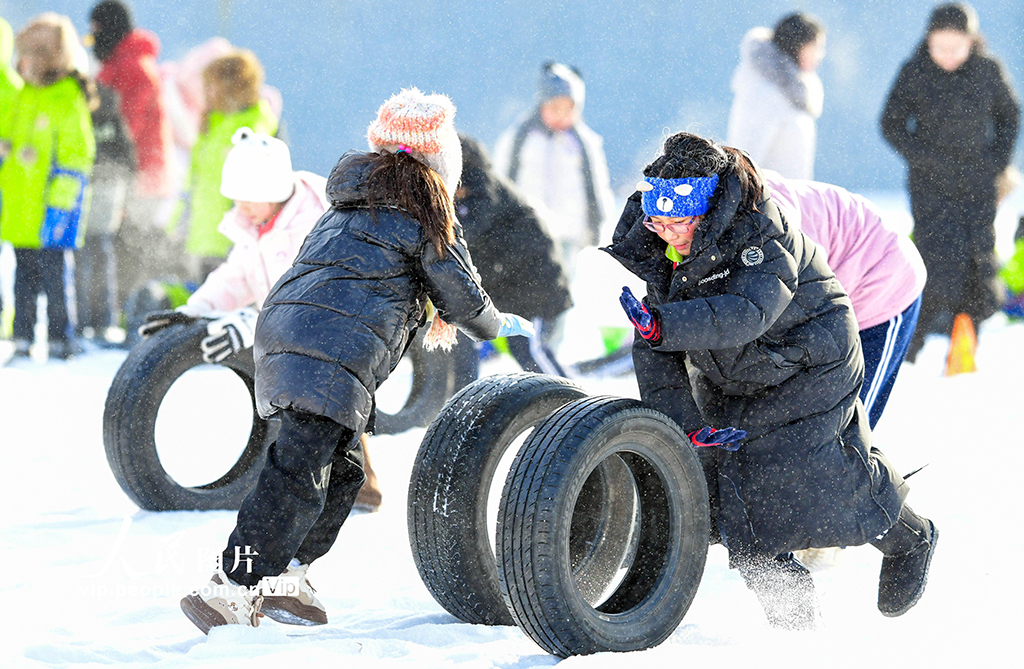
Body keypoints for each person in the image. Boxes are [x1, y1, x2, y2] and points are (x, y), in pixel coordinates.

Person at [179, 88, 533, 633]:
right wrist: (493, 322)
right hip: (329, 355)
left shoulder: (344, 206)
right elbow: (459, 294)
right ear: (439, 168)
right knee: (295, 477)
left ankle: (289, 578)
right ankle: (230, 585)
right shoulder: (425, 219)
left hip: (287, 341)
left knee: (343, 474)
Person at [603, 132, 937, 629]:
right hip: (741, 369)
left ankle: (909, 536)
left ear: (708, 209)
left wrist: (668, 325)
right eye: (658, 221)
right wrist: (687, 423)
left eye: (678, 222)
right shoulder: (668, 246)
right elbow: (659, 352)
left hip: (811, 356)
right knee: (725, 481)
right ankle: (789, 610)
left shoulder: (766, 232)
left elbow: (749, 311)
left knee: (817, 470)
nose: (666, 233)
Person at [139, 127, 383, 511]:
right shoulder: (260, 223)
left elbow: (301, 301)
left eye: (247, 197)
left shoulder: (314, 225)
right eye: (236, 197)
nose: (240, 206)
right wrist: (194, 310)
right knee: (307, 408)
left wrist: (248, 326)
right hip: (301, 332)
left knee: (330, 403)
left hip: (340, 324)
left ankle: (358, 488)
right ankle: (324, 488)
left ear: (271, 189)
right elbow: (237, 277)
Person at [880, 2, 1020, 362]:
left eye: (956, 48)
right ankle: (909, 349)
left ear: (972, 42)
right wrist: (922, 158)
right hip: (931, 185)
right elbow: (891, 123)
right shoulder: (914, 71)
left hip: (978, 181)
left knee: (978, 261)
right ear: (928, 41)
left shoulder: (988, 70)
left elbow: (1010, 115)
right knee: (935, 261)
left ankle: (964, 346)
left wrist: (997, 161)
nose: (948, 55)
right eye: (940, 47)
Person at [762, 170, 926, 429]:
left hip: (884, 279)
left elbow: (809, 309)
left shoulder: (777, 228)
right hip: (839, 274)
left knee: (848, 425)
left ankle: (855, 464)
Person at [0, 13, 96, 362]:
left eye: (29, 55)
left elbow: (76, 156)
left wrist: (61, 202)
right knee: (22, 279)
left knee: (55, 278)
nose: (20, 63)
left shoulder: (67, 98)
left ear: (50, 57)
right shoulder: (26, 93)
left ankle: (61, 337)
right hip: (22, 208)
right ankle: (22, 336)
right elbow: (12, 131)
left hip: (52, 210)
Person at [454, 134, 572, 380]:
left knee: (531, 349)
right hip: (510, 285)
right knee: (517, 348)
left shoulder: (480, 187)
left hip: (532, 282)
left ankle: (576, 405)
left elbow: (469, 231)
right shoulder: (475, 187)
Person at [89, 1, 178, 309]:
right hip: (134, 174)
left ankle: (131, 311)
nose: (92, 37)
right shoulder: (122, 62)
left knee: (130, 247)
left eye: (96, 29)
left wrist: (116, 173)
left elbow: (127, 128)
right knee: (125, 245)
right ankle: (126, 310)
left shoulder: (132, 66)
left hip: (139, 176)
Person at [493, 61, 615, 279]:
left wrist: (596, 227)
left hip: (569, 231)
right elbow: (501, 179)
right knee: (525, 284)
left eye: (568, 109)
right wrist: (501, 221)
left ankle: (559, 315)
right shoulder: (521, 137)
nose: (561, 114)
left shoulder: (583, 144)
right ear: (541, 105)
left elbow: (596, 187)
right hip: (527, 230)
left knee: (562, 288)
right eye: (554, 108)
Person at [181, 49, 278, 280]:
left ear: (233, 87)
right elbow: (194, 181)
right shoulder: (212, 124)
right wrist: (177, 224)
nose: (207, 93)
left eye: (212, 85)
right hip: (202, 240)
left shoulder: (255, 127)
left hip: (232, 244)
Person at [727, 13, 826, 180]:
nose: (820, 55)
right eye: (815, 47)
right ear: (798, 46)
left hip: (786, 199)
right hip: (767, 200)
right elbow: (744, 159)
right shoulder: (765, 91)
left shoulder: (790, 91)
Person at [75, 81, 135, 344]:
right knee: (100, 256)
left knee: (83, 259)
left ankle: (85, 321)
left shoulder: (79, 110)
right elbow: (129, 159)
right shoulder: (113, 111)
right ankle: (102, 320)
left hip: (85, 191)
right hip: (109, 193)